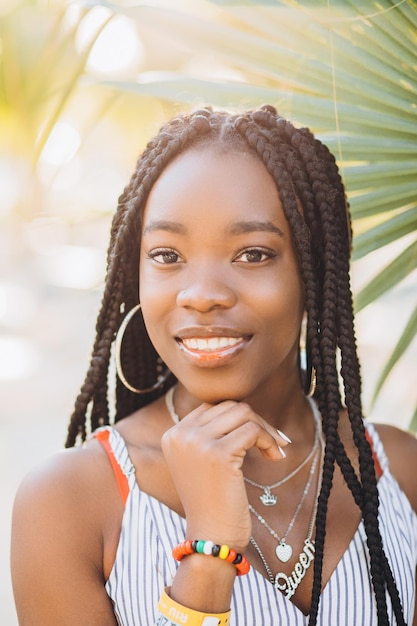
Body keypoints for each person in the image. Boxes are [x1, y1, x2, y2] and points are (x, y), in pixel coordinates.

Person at [11, 105, 417, 626]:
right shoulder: (67, 503)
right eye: (166, 255)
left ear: (315, 272)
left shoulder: (398, 470)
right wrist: (209, 555)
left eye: (252, 254)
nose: (201, 296)